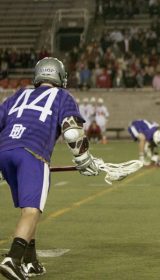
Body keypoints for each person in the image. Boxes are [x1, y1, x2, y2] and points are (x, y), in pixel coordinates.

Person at [0, 57, 100, 280]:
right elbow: (72, 131)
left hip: (4, 151)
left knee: (27, 207)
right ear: (60, 77)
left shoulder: (18, 94)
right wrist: (83, 158)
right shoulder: (62, 96)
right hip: (32, 153)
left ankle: (30, 260)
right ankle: (13, 259)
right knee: (32, 210)